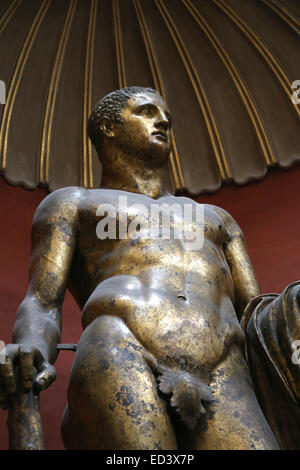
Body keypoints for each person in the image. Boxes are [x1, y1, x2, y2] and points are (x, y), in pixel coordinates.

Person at [0, 86, 279, 450]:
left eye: (166, 117)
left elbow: (256, 316)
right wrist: (30, 348)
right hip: (119, 345)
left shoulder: (216, 218)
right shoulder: (73, 202)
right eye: (146, 111)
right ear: (108, 127)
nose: (163, 120)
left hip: (225, 365)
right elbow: (42, 300)